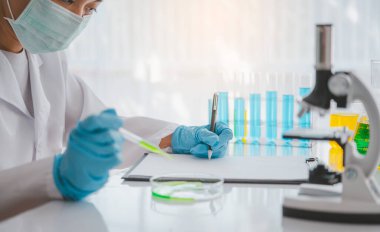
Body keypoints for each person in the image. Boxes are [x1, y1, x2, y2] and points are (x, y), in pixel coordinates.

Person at [0, 0, 233, 220]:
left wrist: (177, 136)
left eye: (90, 8)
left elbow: (105, 130)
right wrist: (56, 176)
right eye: (68, 0)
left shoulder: (48, 59)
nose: (73, 17)